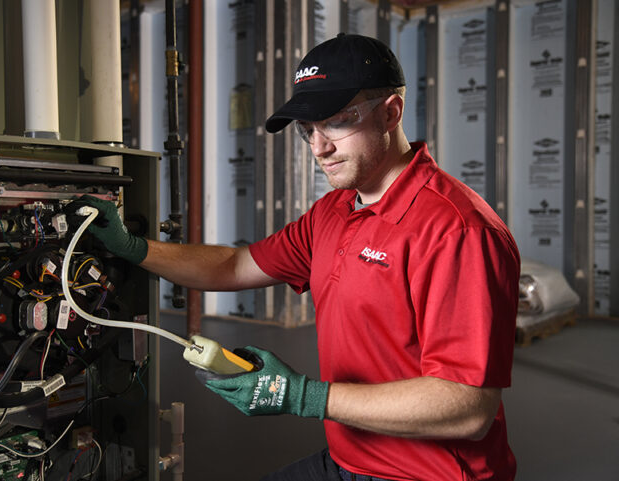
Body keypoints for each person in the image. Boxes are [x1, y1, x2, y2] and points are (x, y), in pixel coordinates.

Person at [82, 33, 519, 481]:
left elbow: (467, 408)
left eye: (335, 123)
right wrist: (135, 248)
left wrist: (300, 396)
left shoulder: (457, 231)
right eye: (308, 130)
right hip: (350, 461)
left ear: (391, 112)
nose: (319, 148)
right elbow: (235, 265)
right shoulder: (334, 210)